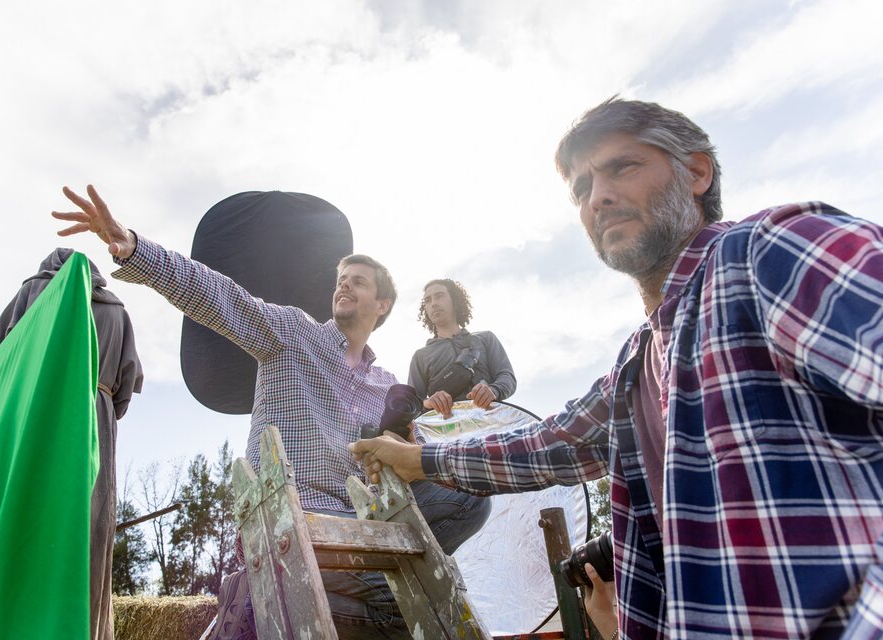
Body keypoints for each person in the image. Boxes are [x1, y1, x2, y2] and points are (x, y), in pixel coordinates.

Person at [350, 97, 883, 638]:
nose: (598, 197)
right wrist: (417, 459)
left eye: (621, 168)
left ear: (696, 172)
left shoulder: (767, 254)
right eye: (581, 189)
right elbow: (545, 446)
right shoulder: (635, 364)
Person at [51, 188, 489, 639]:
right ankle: (369, 601)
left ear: (381, 306)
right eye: (341, 277)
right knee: (394, 603)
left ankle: (365, 597)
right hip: (287, 519)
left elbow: (392, 468)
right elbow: (218, 295)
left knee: (470, 495)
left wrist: (412, 444)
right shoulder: (293, 333)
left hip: (358, 524)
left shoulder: (385, 384)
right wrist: (134, 248)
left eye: (358, 281)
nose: (343, 284)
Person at [0, 247, 144, 640]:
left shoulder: (33, 294)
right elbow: (126, 387)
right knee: (90, 531)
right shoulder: (116, 310)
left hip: (38, 416)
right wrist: (100, 404)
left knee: (27, 519)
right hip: (96, 423)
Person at [408, 278, 516, 418]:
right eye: (428, 300)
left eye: (439, 296)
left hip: (492, 425)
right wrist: (428, 403)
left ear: (454, 300)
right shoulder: (420, 356)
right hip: (448, 433)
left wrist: (494, 390)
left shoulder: (485, 339)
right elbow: (411, 404)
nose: (433, 303)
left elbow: (507, 376)